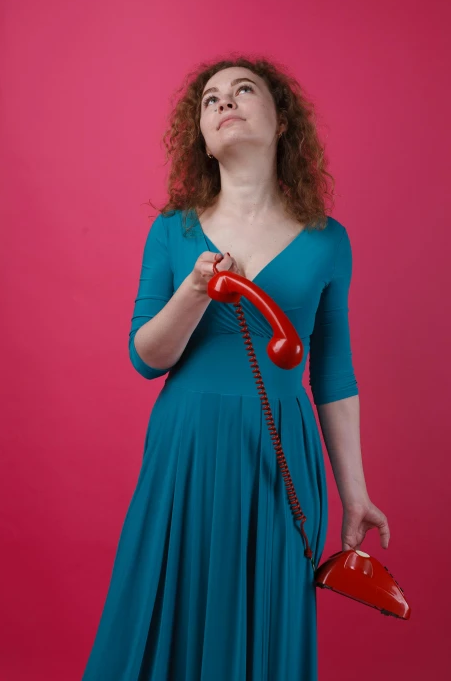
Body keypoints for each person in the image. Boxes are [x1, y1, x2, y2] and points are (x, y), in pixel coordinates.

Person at [81, 56, 390, 680]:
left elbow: (333, 374)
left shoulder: (329, 239)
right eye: (210, 98)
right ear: (200, 134)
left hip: (279, 455)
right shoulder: (172, 232)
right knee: (171, 606)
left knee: (265, 619)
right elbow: (147, 358)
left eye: (243, 90)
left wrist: (354, 493)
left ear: (281, 122)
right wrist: (195, 290)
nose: (224, 101)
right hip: (186, 448)